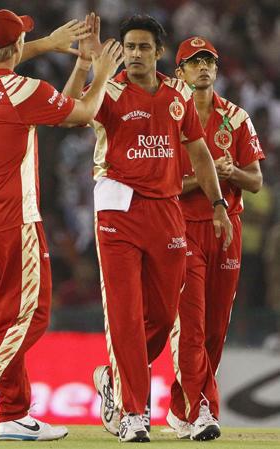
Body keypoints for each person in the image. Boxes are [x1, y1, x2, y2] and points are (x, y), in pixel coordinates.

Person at [0, 8, 123, 442]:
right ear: (17, 47)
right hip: (14, 221)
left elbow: (46, 99)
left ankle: (15, 414)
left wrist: (69, 57)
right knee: (31, 317)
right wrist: (102, 69)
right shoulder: (21, 91)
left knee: (3, 325)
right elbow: (81, 113)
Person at [63, 14, 232, 443]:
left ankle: (113, 378)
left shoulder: (178, 94)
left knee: (162, 314)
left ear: (158, 52)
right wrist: (86, 67)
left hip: (167, 212)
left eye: (143, 47)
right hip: (118, 212)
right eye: (129, 47)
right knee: (124, 314)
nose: (135, 54)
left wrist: (217, 204)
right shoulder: (111, 87)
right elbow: (65, 114)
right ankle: (133, 413)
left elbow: (198, 152)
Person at [166, 37, 265, 441]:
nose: (202, 68)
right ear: (180, 73)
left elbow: (255, 181)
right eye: (193, 62)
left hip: (228, 230)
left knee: (214, 328)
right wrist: (208, 179)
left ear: (216, 70)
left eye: (208, 61)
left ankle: (180, 407)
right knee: (191, 324)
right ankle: (203, 409)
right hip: (185, 227)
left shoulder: (236, 119)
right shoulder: (170, 118)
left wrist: (229, 174)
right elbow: (167, 184)